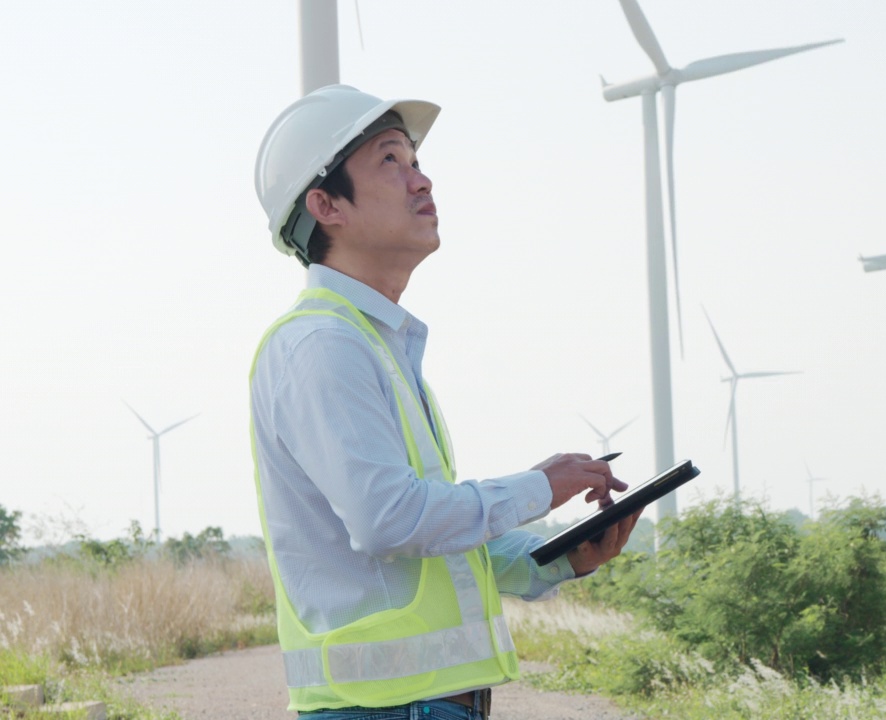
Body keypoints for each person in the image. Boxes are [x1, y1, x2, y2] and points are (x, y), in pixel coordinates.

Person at [250, 84, 640, 719]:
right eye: (390, 161)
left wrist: (555, 559)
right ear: (325, 204)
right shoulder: (324, 344)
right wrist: (540, 486)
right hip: (384, 709)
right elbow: (389, 522)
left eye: (416, 162)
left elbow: (423, 550)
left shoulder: (374, 345)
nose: (421, 181)